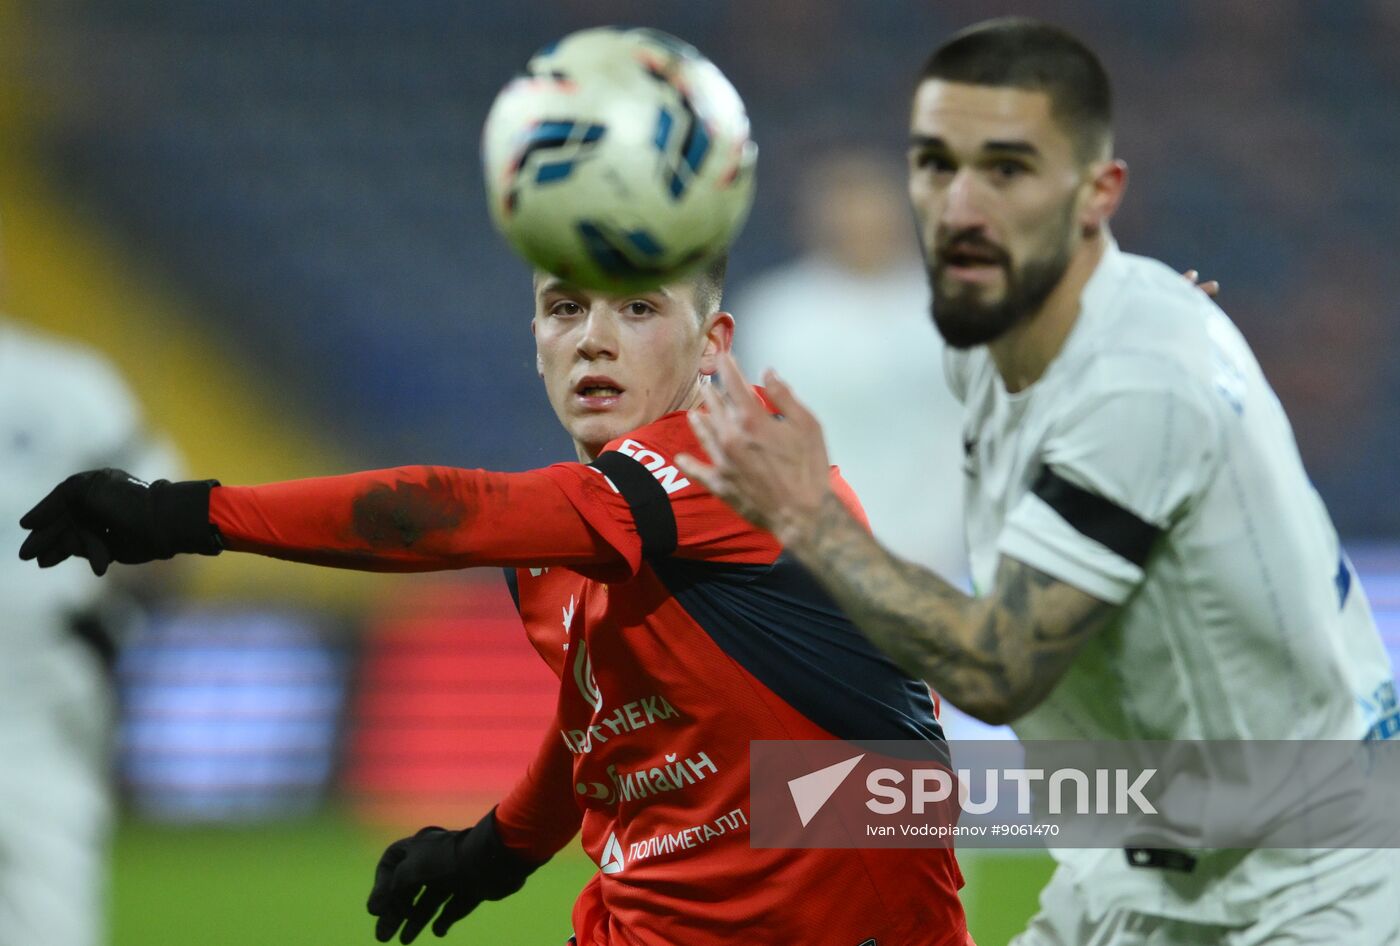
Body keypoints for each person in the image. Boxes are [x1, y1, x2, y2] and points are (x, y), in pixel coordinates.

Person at [679, 17, 1400, 946]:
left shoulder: (1137, 386)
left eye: (1008, 169)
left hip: (1299, 881)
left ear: (1097, 192)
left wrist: (806, 517)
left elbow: (997, 667)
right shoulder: (995, 332)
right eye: (936, 165)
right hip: (1144, 868)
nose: (961, 201)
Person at [17, 259, 971, 946]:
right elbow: (602, 725)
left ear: (712, 342)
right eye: (564, 309)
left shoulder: (735, 462)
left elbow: (449, 514)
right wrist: (495, 849)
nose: (593, 337)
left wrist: (191, 513)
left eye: (638, 307)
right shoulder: (572, 547)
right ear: (537, 341)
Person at [0, 312, 180, 946]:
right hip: (43, 694)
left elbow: (161, 523)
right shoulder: (69, 385)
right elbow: (165, 531)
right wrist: (114, 623)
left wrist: (114, 626)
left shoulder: (71, 384)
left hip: (42, 698)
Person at [734, 147, 969, 588]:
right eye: (845, 206)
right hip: (815, 562)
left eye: (871, 205)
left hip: (942, 559)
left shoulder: (961, 314)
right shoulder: (776, 314)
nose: (860, 222)